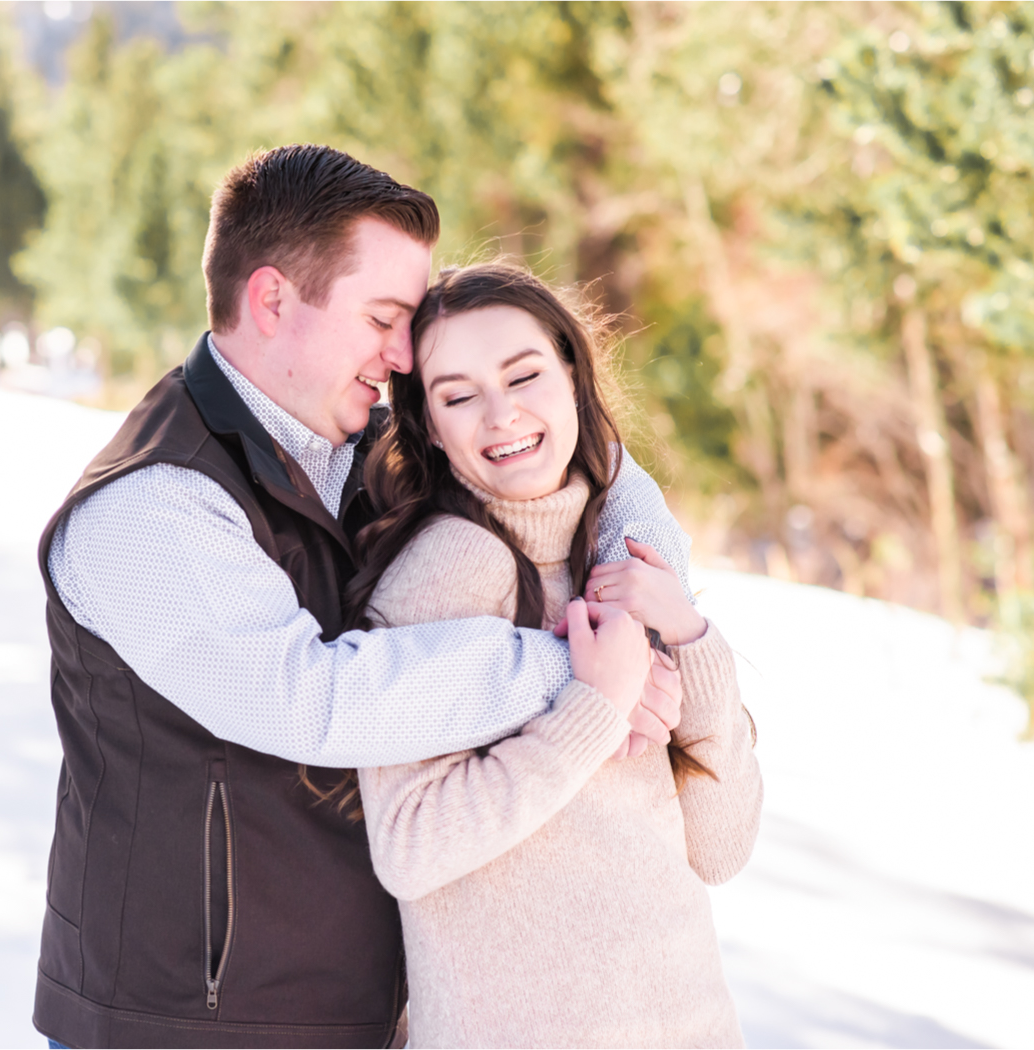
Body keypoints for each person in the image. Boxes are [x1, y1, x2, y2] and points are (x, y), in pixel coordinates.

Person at [35, 145, 692, 1048]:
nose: (403, 354)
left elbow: (596, 467)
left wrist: (632, 619)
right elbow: (309, 698)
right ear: (272, 300)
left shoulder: (368, 449)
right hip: (192, 1023)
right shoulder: (152, 506)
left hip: (366, 1010)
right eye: (383, 317)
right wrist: (571, 674)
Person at [351, 262, 763, 1048]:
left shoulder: (616, 554)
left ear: (572, 376)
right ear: (430, 424)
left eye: (524, 375)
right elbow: (409, 846)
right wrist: (593, 709)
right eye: (459, 394)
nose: (500, 415)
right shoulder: (446, 572)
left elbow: (719, 847)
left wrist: (689, 636)